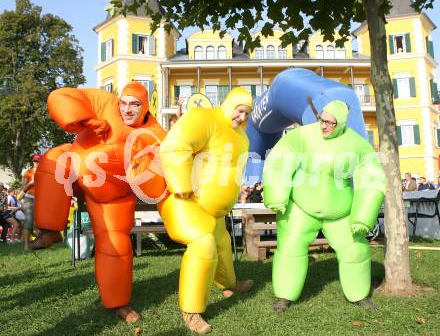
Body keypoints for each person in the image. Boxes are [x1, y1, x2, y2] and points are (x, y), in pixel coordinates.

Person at [31, 82, 167, 323]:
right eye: (123, 103)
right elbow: (60, 96)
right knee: (53, 159)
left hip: (111, 195)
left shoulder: (154, 132)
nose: (126, 109)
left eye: (134, 104)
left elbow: (167, 164)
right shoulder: (103, 102)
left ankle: (119, 304)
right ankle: (50, 229)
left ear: (145, 107)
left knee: (115, 244)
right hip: (73, 173)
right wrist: (85, 119)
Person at [263, 100, 386, 312]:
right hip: (301, 208)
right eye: (322, 120)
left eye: (330, 122)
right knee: (290, 247)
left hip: (340, 212)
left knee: (355, 251)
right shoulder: (303, 136)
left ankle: (359, 295)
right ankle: (284, 297)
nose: (324, 126)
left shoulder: (356, 144)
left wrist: (363, 216)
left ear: (342, 123)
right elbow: (280, 160)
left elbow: (371, 178)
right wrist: (277, 193)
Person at [159, 87, 254, 333]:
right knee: (203, 243)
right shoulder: (204, 118)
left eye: (247, 113)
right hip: (184, 202)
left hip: (214, 211)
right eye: (239, 110)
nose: (241, 117)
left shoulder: (242, 138)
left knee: (222, 246)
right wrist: (181, 183)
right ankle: (192, 311)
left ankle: (229, 286)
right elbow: (175, 145)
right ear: (229, 104)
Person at [17, 154, 41, 249]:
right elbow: (22, 188)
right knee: (28, 222)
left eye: (38, 161)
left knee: (38, 223)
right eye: (35, 161)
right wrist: (30, 183)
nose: (36, 163)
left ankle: (37, 242)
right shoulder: (28, 172)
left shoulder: (44, 173)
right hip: (29, 199)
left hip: (41, 200)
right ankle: (26, 245)